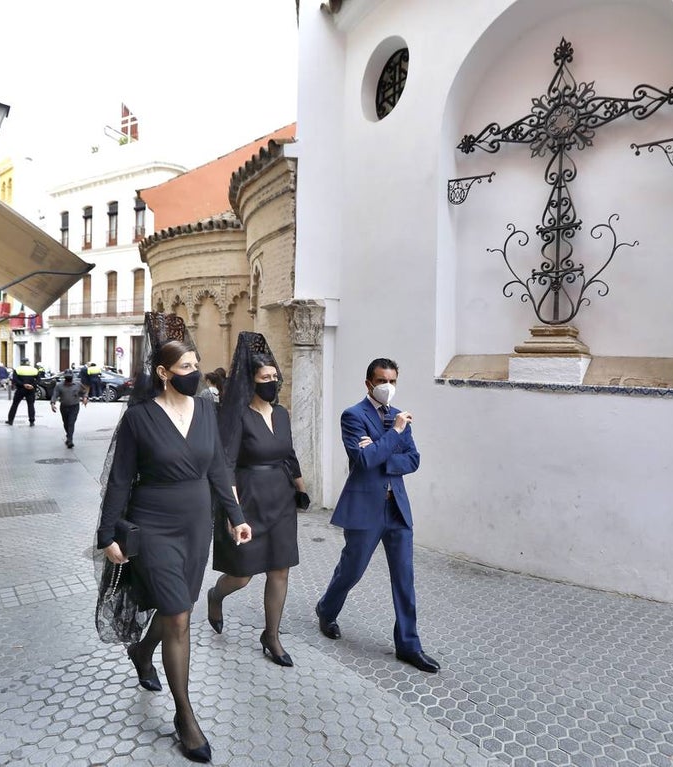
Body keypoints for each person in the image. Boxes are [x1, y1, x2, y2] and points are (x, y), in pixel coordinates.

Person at [97, 313, 252, 763]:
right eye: (186, 368)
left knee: (176, 609)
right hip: (153, 525)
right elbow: (120, 481)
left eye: (196, 366)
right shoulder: (139, 418)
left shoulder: (206, 411)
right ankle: (185, 717)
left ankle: (143, 651)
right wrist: (107, 534)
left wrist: (235, 516)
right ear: (164, 373)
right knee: (179, 616)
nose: (195, 374)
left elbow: (219, 468)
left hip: (196, 526)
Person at [315, 358, 439, 673]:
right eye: (382, 380)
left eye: (392, 381)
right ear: (369, 383)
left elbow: (413, 460)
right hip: (365, 508)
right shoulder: (353, 416)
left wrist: (382, 452)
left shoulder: (400, 416)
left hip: (396, 508)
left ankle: (409, 645)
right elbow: (363, 460)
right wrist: (393, 435)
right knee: (352, 570)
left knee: (404, 578)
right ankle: (326, 609)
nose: (388, 386)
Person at [207, 336, 309, 667]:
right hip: (248, 499)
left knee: (280, 570)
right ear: (250, 381)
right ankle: (215, 596)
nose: (272, 382)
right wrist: (234, 513)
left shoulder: (281, 414)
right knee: (242, 576)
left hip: (281, 499)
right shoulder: (237, 416)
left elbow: (289, 454)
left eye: (274, 376)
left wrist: (301, 488)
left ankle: (271, 636)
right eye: (265, 377)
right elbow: (226, 466)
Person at [51, 372, 88, 448]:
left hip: (74, 406)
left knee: (71, 423)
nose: (68, 382)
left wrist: (85, 397)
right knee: (66, 423)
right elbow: (55, 395)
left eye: (70, 379)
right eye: (67, 379)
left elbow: (84, 391)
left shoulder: (78, 384)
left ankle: (70, 440)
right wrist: (52, 403)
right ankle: (68, 435)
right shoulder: (59, 386)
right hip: (64, 406)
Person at [7, 358, 40, 426]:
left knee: (15, 405)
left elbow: (15, 380)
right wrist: (32, 385)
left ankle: (10, 420)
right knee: (31, 405)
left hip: (20, 389)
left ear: (21, 362)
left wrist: (23, 384)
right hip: (31, 390)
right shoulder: (34, 370)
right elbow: (39, 380)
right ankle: (32, 421)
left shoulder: (17, 369)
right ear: (28, 363)